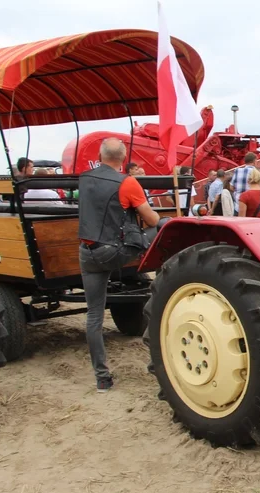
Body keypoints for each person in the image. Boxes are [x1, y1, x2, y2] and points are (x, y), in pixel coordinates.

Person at [78, 138, 162, 392]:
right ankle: (168, 284)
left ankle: (102, 378)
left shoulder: (84, 178)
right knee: (164, 226)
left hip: (87, 252)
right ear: (124, 158)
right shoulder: (127, 182)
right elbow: (151, 218)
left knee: (94, 315)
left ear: (99, 156)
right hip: (115, 251)